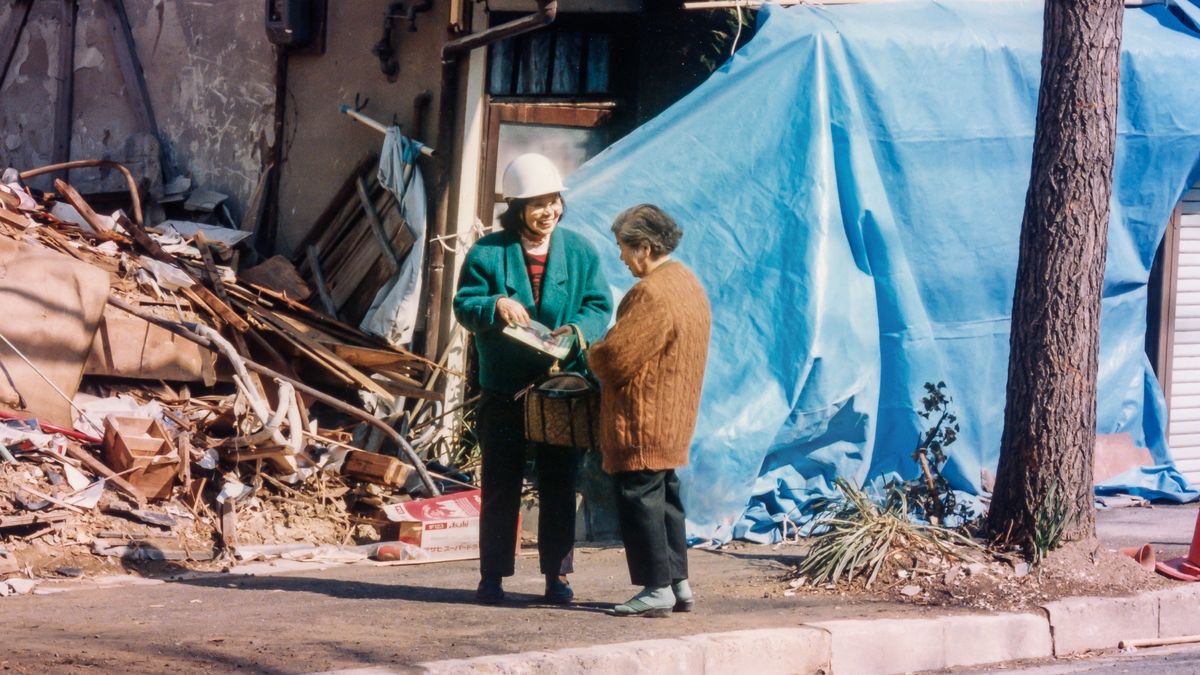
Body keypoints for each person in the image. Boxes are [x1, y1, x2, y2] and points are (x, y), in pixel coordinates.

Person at [453, 153, 612, 605]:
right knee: (500, 480)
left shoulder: (580, 251)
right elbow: (464, 305)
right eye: (538, 204)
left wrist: (579, 330)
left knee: (559, 481)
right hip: (504, 388)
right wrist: (495, 306)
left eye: (554, 202)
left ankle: (556, 577)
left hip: (560, 388)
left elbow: (599, 306)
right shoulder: (488, 252)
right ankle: (492, 576)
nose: (549, 212)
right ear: (517, 207)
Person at [587, 204, 711, 618]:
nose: (620, 257)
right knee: (666, 499)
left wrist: (593, 351)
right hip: (674, 417)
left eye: (623, 248)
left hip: (644, 418)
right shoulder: (687, 281)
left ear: (644, 247)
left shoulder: (651, 293)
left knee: (639, 499)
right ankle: (679, 583)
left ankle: (655, 587)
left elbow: (616, 359)